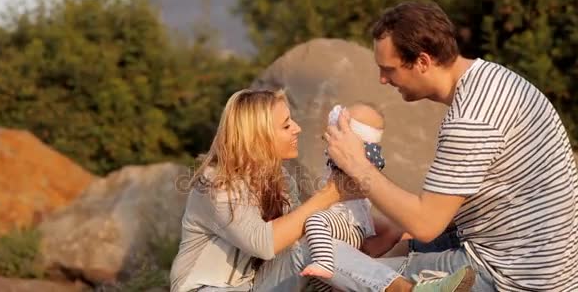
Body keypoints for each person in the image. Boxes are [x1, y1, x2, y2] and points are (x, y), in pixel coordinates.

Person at [323, 1, 578, 291]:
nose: (383, 80)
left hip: (509, 278)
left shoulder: (469, 120)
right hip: (548, 267)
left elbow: (425, 223)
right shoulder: (494, 80)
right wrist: (398, 231)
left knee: (323, 259)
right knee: (395, 247)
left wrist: (357, 165)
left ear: (422, 62)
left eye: (389, 70)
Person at [169, 89, 475, 292]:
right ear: (258, 134)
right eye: (286, 125)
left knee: (326, 260)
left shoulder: (279, 180)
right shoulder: (215, 183)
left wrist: (395, 229)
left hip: (259, 285)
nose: (298, 129)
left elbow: (314, 246)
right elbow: (263, 243)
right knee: (310, 245)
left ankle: (443, 273)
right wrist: (330, 194)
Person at [302, 103, 387, 292]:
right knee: (318, 282)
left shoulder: (361, 158)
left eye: (347, 121)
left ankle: (325, 262)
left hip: (348, 226)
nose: (341, 120)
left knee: (314, 220)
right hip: (345, 226)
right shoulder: (357, 157)